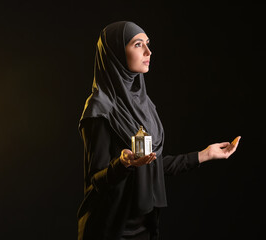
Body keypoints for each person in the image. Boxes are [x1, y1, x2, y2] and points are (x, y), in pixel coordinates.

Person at [77, 21, 241, 240]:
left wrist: (205, 155)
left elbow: (152, 163)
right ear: (115, 51)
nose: (148, 51)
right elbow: (96, 179)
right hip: (110, 228)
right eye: (137, 44)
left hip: (144, 224)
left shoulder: (144, 105)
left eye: (147, 44)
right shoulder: (99, 108)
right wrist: (124, 163)